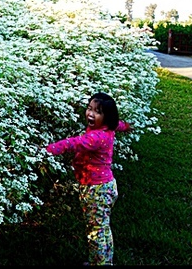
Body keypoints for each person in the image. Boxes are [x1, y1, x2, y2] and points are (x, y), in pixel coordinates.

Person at [46, 92, 132, 266]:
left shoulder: (96, 137)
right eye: (89, 108)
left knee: (96, 232)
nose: (90, 114)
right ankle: (103, 261)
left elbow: (73, 143)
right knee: (102, 228)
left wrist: (49, 149)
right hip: (105, 186)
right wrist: (126, 126)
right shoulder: (108, 129)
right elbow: (119, 125)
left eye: (97, 111)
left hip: (96, 190)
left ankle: (100, 264)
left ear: (106, 117)